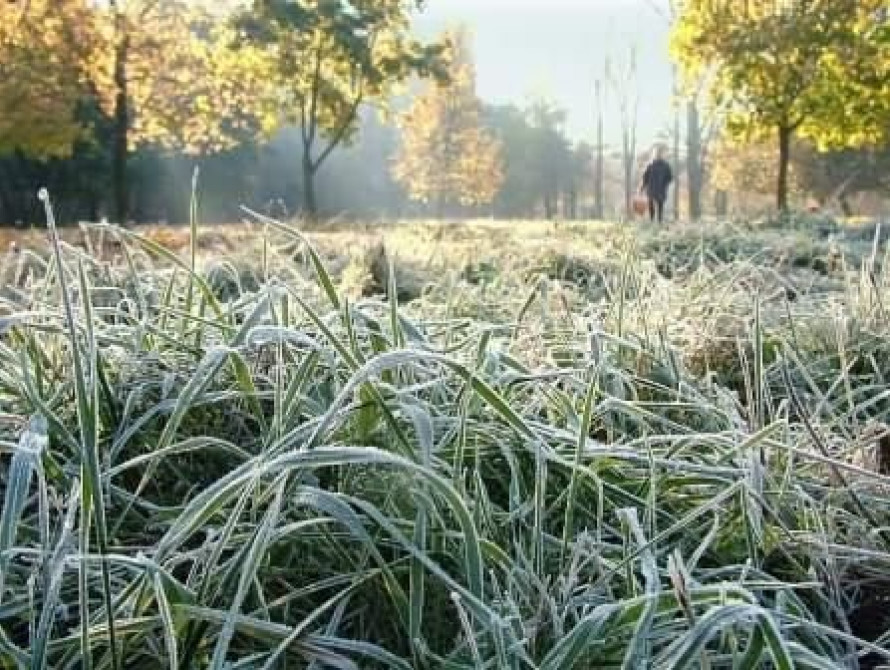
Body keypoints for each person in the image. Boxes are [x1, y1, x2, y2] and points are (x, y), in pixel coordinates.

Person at [640, 146, 673, 223]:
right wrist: (642, 187)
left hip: (660, 188)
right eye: (659, 154)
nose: (660, 155)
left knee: (660, 205)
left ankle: (659, 221)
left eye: (662, 154)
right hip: (652, 188)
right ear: (656, 155)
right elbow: (646, 177)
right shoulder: (651, 165)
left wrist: (665, 184)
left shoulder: (666, 166)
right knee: (652, 204)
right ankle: (652, 220)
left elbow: (669, 177)